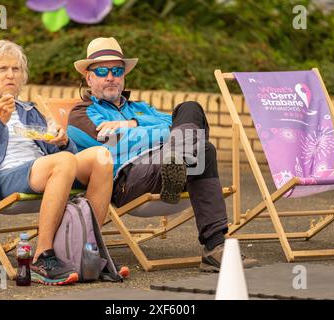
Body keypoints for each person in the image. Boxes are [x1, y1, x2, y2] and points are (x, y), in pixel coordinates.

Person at [67, 37, 257, 272]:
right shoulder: (80, 114)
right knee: (197, 146)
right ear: (89, 77)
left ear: (124, 75)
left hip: (167, 161)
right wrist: (159, 133)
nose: (110, 77)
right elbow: (113, 143)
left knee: (191, 110)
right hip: (130, 178)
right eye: (102, 71)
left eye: (117, 70)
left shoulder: (140, 108)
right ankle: (177, 159)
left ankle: (215, 247)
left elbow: (176, 123)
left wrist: (133, 123)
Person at [0, 40, 115, 285]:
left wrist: (62, 142)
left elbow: (59, 152)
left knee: (102, 156)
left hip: (41, 169)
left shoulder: (28, 109)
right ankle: (42, 256)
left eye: (16, 69)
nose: (10, 75)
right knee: (63, 162)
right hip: (1, 178)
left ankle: (87, 251)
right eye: (2, 69)